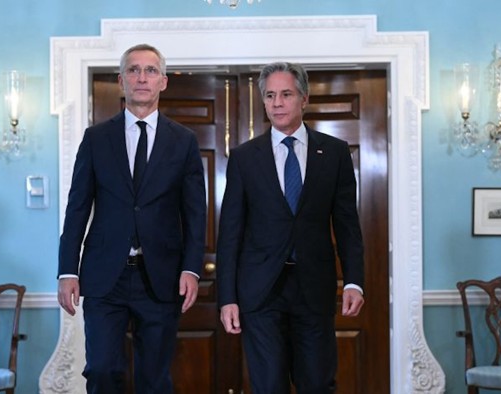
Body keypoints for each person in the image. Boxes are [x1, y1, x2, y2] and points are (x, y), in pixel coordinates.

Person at [57, 43, 206, 394]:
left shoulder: (183, 141)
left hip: (161, 278)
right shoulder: (96, 139)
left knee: (155, 379)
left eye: (150, 71)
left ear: (163, 82)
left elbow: (195, 213)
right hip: (104, 277)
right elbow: (78, 206)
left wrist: (191, 268)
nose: (142, 77)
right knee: (102, 371)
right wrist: (68, 270)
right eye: (134, 70)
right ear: (121, 80)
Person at [217, 62, 365, 394]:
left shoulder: (335, 153)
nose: (277, 103)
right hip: (260, 292)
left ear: (304, 98)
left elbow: (347, 225)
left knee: (317, 384)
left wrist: (354, 280)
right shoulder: (244, 157)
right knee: (268, 386)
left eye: (285, 94)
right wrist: (227, 297)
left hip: (314, 290)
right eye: (270, 96)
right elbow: (230, 233)